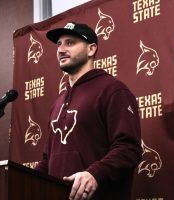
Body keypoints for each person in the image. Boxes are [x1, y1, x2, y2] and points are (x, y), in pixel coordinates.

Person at [36, 22, 142, 200]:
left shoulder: (113, 90)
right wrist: (21, 182)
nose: (61, 49)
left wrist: (94, 174)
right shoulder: (57, 104)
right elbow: (48, 160)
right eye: (58, 44)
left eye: (70, 43)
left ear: (91, 49)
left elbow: (128, 149)